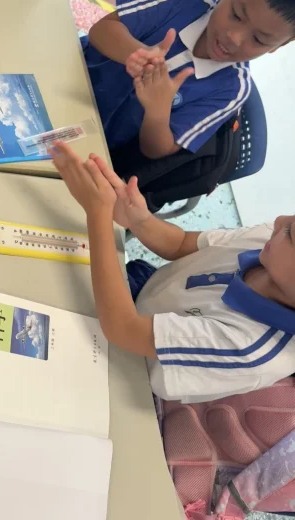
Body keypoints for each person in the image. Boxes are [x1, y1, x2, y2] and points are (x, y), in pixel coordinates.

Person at [50, 141, 295, 403]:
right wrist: (138, 219)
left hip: (127, 371)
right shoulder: (267, 241)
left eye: (291, 234)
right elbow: (180, 245)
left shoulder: (251, 348)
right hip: (139, 297)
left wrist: (97, 212)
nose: (279, 221)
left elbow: (123, 329)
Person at [81, 0, 295, 160]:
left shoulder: (232, 89)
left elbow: (157, 150)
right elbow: (101, 30)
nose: (234, 38)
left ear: (281, 44)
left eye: (259, 39)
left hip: (96, 143)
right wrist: (136, 54)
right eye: (236, 15)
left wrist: (158, 110)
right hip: (73, 73)